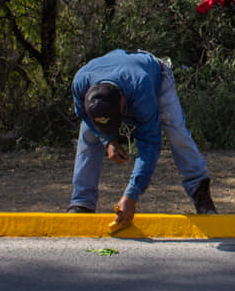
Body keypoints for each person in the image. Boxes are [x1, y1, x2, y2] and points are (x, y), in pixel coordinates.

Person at [67, 49, 217, 225]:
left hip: (157, 78)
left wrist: (131, 195)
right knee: (87, 133)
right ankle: (81, 202)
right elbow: (85, 116)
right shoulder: (80, 83)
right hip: (120, 72)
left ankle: (200, 192)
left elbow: (150, 144)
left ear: (123, 103)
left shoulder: (141, 88)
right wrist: (108, 140)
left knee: (176, 131)